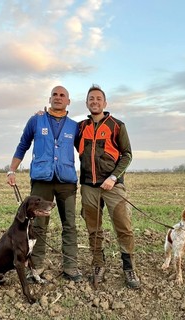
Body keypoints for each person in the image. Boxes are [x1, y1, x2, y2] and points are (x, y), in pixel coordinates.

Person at [7, 86, 82, 283]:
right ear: (49, 99)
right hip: (42, 181)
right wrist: (11, 170)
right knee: (38, 225)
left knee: (70, 224)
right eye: (55, 95)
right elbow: (23, 144)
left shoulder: (75, 126)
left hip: (66, 182)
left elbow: (85, 151)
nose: (58, 98)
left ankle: (70, 267)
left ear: (68, 101)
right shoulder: (36, 120)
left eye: (62, 95)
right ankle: (37, 267)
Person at [76, 84, 140, 289]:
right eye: (91, 99)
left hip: (113, 186)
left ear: (105, 103)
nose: (94, 102)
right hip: (88, 186)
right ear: (87, 103)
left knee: (124, 226)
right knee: (93, 229)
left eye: (98, 99)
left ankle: (129, 268)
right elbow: (58, 130)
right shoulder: (79, 127)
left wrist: (113, 177)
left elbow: (127, 155)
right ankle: (98, 264)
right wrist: (45, 114)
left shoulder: (117, 125)